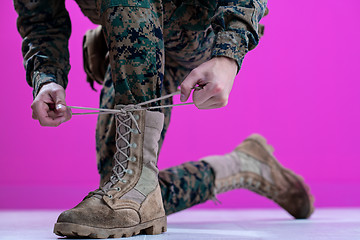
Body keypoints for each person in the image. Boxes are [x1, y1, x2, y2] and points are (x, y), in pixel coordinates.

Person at [14, 0, 314, 238]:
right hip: (136, 44)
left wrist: (227, 55)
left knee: (133, 191)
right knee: (123, 195)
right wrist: (48, 78)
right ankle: (245, 165)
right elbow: (40, 19)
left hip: (200, 36)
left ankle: (138, 182)